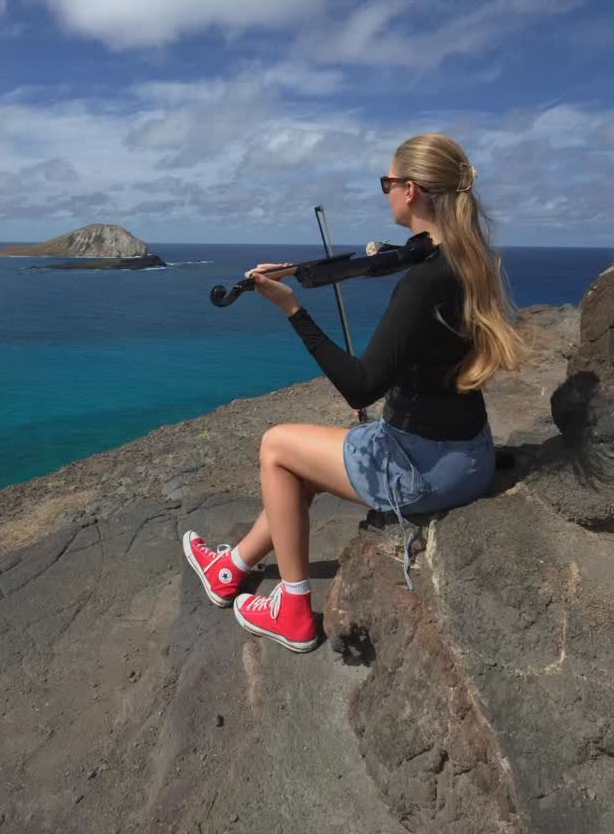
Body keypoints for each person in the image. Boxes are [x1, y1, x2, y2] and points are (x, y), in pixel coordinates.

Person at [183, 133, 525, 653]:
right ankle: (230, 568)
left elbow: (362, 384)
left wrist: (293, 309)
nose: (385, 191)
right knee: (307, 459)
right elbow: (390, 262)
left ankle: (293, 610)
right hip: (468, 453)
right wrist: (305, 270)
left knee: (277, 447)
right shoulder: (465, 256)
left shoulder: (426, 281)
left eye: (387, 182)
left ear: (410, 190)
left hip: (425, 467)